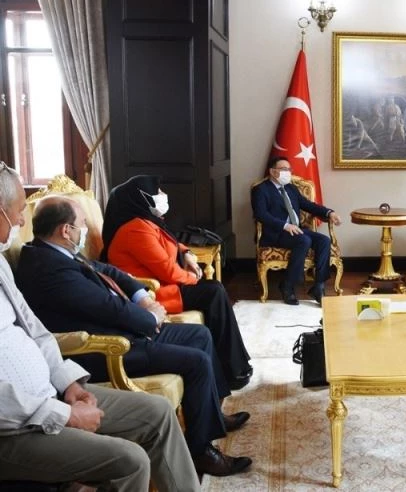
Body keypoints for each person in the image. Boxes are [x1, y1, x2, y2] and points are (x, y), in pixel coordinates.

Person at [16, 196, 253, 477]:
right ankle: (201, 452)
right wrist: (149, 318)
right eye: (82, 224)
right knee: (197, 361)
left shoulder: (57, 251)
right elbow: (107, 307)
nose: (85, 230)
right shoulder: (47, 267)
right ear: (66, 230)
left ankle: (213, 416)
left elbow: (108, 271)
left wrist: (142, 297)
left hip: (122, 328)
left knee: (200, 334)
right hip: (103, 348)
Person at [0, 162, 200, 491]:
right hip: (17, 426)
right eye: (20, 210)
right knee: (130, 460)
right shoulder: (45, 263)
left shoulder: (2, 264)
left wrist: (68, 382)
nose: (23, 221)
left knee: (159, 412)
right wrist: (64, 415)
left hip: (52, 393)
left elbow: (36, 332)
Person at [100, 175, 252, 390]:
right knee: (214, 292)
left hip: (165, 284)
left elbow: (170, 241)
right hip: (153, 292)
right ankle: (233, 368)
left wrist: (187, 252)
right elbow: (168, 270)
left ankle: (233, 365)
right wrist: (194, 277)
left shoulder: (145, 222)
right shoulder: (135, 229)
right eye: (157, 191)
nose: (163, 195)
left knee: (214, 291)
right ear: (143, 197)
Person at [251, 156, 342, 305]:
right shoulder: (260, 190)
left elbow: (309, 205)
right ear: (272, 171)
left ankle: (319, 286)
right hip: (276, 233)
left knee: (324, 240)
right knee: (304, 240)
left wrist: (329, 213)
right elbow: (261, 214)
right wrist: (285, 226)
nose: (288, 172)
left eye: (289, 169)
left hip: (296, 230)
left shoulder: (291, 188)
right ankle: (287, 285)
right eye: (284, 169)